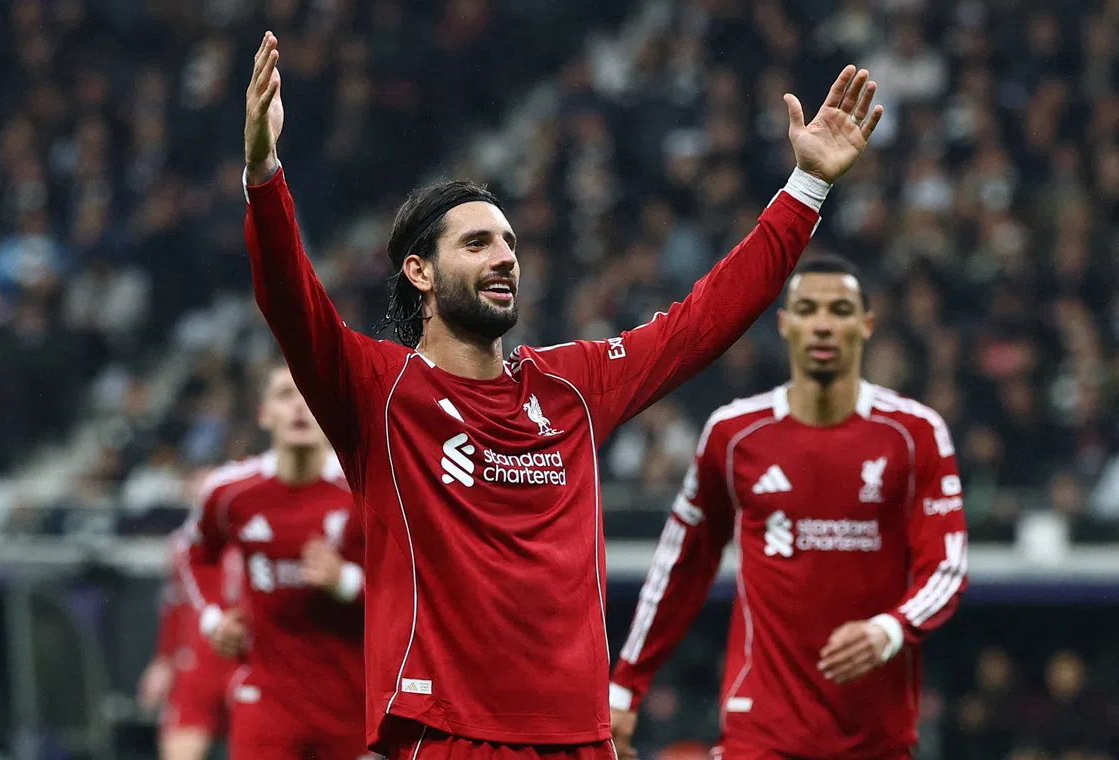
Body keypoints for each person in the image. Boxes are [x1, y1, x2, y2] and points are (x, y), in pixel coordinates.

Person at [242, 29, 883, 759]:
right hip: (450, 733)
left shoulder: (571, 386)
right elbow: (290, 300)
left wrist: (806, 189)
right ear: (420, 273)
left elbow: (705, 320)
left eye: (510, 243)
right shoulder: (378, 391)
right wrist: (264, 173)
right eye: (477, 243)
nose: (505, 257)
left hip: (580, 737)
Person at [608, 255, 969, 760]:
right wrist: (625, 686)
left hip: (876, 736)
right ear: (785, 325)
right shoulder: (734, 435)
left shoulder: (914, 434)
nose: (822, 323)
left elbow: (947, 566)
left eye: (840, 309)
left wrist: (890, 629)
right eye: (807, 309)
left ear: (866, 325)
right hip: (761, 733)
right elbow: (680, 566)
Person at [183, 363, 366, 760]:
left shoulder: (367, 491)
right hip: (267, 699)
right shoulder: (230, 492)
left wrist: (346, 582)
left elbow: (412, 586)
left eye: (310, 395)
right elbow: (197, 555)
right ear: (264, 413)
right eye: (286, 395)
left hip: (352, 702)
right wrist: (213, 618)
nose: (300, 407)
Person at [138, 527, 242, 760]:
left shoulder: (263, 527)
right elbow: (175, 604)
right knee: (181, 745)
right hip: (198, 662)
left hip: (250, 661)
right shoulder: (184, 542)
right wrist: (163, 659)